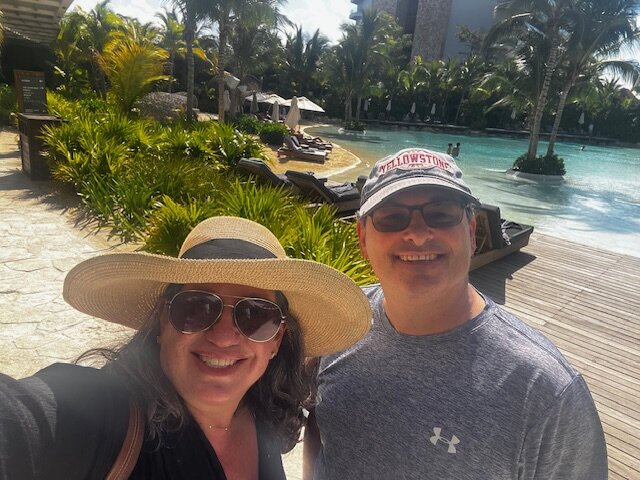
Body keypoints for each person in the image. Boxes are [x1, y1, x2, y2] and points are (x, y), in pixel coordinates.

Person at [303, 148, 607, 479]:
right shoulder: (337, 322)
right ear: (363, 239)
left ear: (472, 233)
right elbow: (319, 425)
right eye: (392, 217)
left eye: (441, 214)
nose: (418, 233)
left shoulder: (545, 391)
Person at [0, 216, 371, 479]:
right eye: (196, 307)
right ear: (164, 320)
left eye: (256, 315)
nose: (223, 337)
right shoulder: (96, 412)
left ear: (277, 339)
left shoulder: (265, 416)